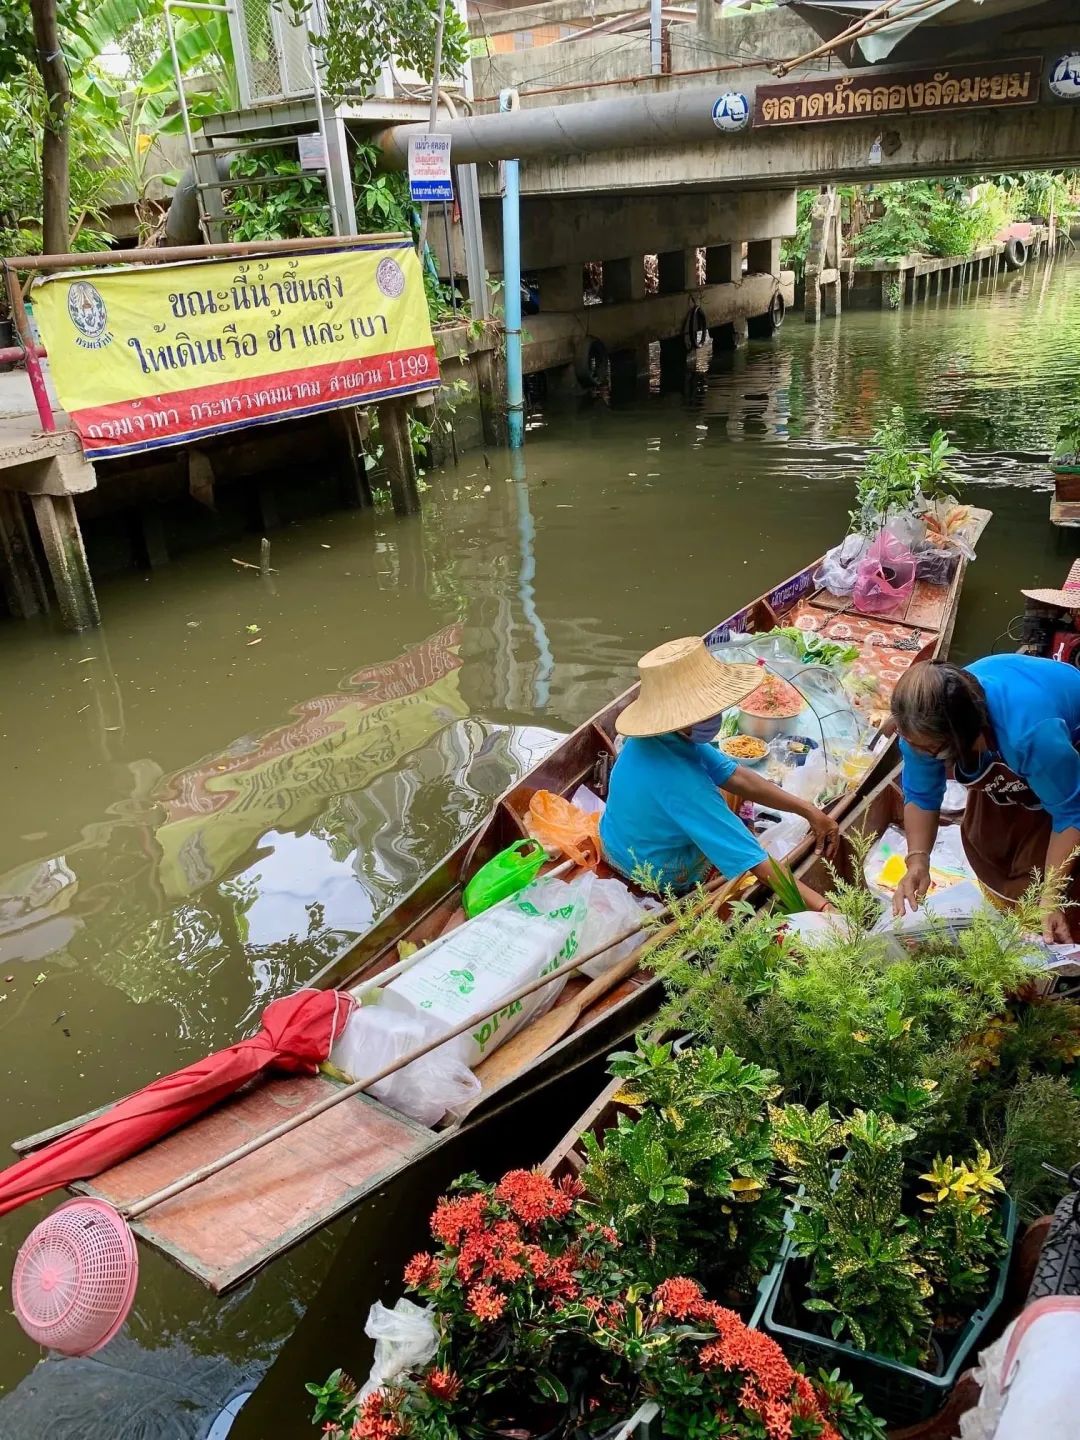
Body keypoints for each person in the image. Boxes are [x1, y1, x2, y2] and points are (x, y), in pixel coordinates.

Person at [599, 636, 839, 907]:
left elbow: (735, 775)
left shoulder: (663, 738)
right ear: (683, 720)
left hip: (620, 837)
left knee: (730, 791)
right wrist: (824, 908)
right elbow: (753, 860)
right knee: (724, 816)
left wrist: (808, 810)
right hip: (649, 868)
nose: (715, 717)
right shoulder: (683, 782)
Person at [890, 655, 1080, 941]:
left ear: (966, 736)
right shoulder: (920, 724)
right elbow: (921, 794)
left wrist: (1052, 895)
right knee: (987, 846)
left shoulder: (1030, 733)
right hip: (1010, 753)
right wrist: (918, 860)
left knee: (1044, 880)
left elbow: (1071, 813)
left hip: (1063, 753)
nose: (922, 753)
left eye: (932, 750)